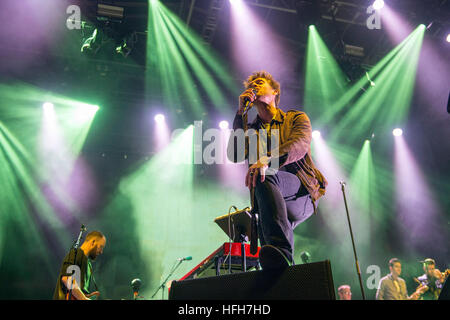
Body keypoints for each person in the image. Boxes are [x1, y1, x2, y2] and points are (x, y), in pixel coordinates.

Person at [227, 71, 327, 269]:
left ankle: (282, 251)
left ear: (275, 92)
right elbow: (235, 154)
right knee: (271, 254)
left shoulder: (295, 118)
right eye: (251, 83)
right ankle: (282, 271)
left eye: (260, 82)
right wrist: (240, 115)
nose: (254, 85)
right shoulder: (252, 130)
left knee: (265, 175)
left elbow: (299, 145)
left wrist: (266, 160)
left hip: (301, 193)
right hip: (271, 201)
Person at [53, 230, 106, 300]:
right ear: (93, 242)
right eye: (101, 247)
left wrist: (87, 296)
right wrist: (84, 298)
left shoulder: (88, 264)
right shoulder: (76, 254)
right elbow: (67, 279)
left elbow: (79, 291)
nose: (101, 251)